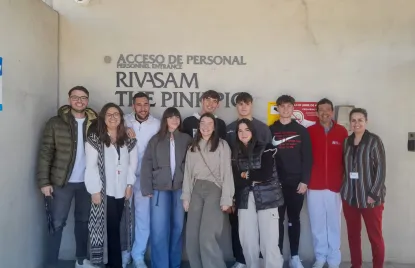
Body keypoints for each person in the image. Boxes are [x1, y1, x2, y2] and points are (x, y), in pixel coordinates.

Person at [37, 86, 97, 268]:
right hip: (61, 182)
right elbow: (45, 152)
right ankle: (52, 263)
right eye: (75, 97)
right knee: (56, 223)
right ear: (69, 99)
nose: (79, 101)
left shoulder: (95, 123)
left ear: (87, 100)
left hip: (87, 183)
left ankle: (80, 260)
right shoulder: (55, 122)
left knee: (83, 221)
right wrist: (44, 181)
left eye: (83, 98)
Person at [85, 103, 138, 268]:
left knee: (117, 227)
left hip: (121, 190)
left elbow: (132, 165)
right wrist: (94, 190)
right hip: (104, 191)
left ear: (121, 118)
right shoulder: (95, 139)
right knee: (110, 228)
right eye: (109, 114)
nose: (113, 117)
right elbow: (91, 166)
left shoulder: (128, 139)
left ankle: (114, 262)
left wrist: (130, 184)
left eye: (116, 114)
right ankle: (113, 264)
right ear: (103, 118)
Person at [140, 107, 192, 268]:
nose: (175, 120)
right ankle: (161, 265)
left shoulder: (186, 139)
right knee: (159, 230)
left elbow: (192, 163)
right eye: (171, 117)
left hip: (180, 189)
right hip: (159, 190)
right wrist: (146, 188)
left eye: (177, 117)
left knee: (177, 228)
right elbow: (146, 164)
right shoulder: (155, 140)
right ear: (165, 120)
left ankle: (174, 264)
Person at [181, 112, 234, 268]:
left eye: (209, 123)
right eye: (202, 123)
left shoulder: (222, 145)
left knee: (207, 236)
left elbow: (227, 172)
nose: (205, 127)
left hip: (215, 189)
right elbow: (188, 173)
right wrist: (186, 196)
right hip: (196, 189)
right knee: (192, 235)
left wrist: (227, 199)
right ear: (199, 126)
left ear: (214, 126)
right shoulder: (192, 145)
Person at [225, 92, 272, 268]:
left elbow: (268, 158)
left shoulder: (262, 127)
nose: (243, 107)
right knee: (237, 223)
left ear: (251, 105)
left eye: (246, 103)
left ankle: (258, 260)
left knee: (260, 225)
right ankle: (240, 259)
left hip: (261, 187)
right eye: (240, 104)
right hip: (237, 184)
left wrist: (253, 177)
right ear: (236, 106)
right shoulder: (229, 128)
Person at [233, 118, 284, 268]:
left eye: (246, 130)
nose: (243, 133)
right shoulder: (236, 152)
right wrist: (250, 177)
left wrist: (246, 175)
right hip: (245, 198)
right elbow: (235, 178)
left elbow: (265, 175)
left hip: (268, 198)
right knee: (248, 241)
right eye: (240, 130)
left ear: (253, 131)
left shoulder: (266, 147)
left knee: (269, 243)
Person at [269, 95, 312, 268]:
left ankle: (294, 256)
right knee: (276, 221)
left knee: (294, 219)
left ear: (293, 108)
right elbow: (266, 159)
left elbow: (307, 158)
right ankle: (277, 256)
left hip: (296, 184)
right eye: (282, 106)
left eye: (289, 106)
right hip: (276, 184)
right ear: (277, 108)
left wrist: (305, 181)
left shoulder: (301, 130)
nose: (285, 109)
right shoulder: (270, 130)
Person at [341, 108, 386, 268]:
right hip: (350, 197)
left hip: (370, 198)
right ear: (350, 123)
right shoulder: (346, 141)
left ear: (366, 121)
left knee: (375, 237)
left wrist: (373, 194)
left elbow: (381, 170)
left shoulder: (374, 141)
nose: (357, 123)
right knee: (353, 236)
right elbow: (344, 168)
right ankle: (356, 265)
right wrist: (343, 190)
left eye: (360, 120)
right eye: (353, 120)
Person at [307, 98, 348, 268]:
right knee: (317, 224)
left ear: (332, 112)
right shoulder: (309, 131)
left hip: (335, 186)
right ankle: (320, 257)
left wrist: (345, 181)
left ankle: (334, 259)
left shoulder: (342, 132)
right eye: (321, 110)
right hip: (314, 185)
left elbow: (347, 159)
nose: (325, 112)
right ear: (317, 113)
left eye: (328, 109)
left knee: (333, 223)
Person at [124, 92, 160, 268]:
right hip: (124, 178)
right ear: (133, 106)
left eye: (146, 104)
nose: (143, 108)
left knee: (143, 218)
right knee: (125, 218)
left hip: (146, 178)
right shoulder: (123, 121)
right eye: (139, 104)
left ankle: (138, 255)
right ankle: (124, 254)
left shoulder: (157, 124)